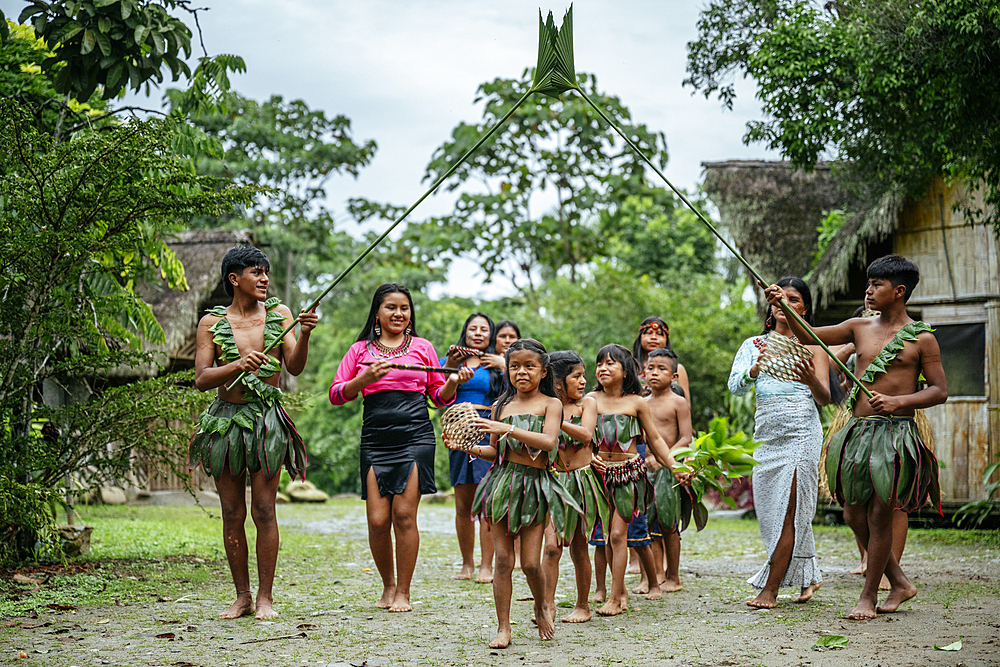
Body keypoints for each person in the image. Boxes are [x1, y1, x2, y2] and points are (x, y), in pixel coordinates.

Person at [765, 255, 946, 620]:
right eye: (868, 284)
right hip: (858, 432)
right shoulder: (858, 327)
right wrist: (782, 305)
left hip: (895, 436)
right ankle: (900, 582)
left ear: (898, 291)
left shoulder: (922, 339)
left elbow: (940, 391)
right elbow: (810, 337)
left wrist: (899, 400)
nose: (868, 291)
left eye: (876, 285)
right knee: (851, 512)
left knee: (881, 514)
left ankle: (868, 596)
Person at [190, 245, 318, 620]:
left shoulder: (280, 314)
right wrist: (237, 364)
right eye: (256, 272)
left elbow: (293, 367)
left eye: (266, 272)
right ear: (235, 279)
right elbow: (201, 379)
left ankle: (265, 597)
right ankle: (241, 595)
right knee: (232, 511)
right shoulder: (210, 324)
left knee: (264, 509)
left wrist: (305, 335)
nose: (264, 279)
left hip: (266, 422)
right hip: (226, 422)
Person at [329, 283, 473, 612]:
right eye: (391, 307)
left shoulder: (422, 347)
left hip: (415, 436)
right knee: (378, 520)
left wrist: (452, 379)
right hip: (376, 438)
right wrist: (362, 381)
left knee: (404, 516)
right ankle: (388, 586)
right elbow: (336, 394)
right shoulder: (359, 350)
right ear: (377, 313)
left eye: (404, 308)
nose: (399, 313)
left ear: (411, 314)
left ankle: (404, 592)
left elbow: (438, 397)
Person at [446, 339, 581, 648]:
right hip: (500, 485)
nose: (521, 372)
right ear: (507, 370)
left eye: (529, 366)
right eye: (515, 366)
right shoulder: (501, 405)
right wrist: (466, 447)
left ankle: (540, 604)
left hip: (534, 486)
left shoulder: (552, 404)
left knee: (531, 563)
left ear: (543, 371)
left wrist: (507, 429)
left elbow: (548, 443)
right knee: (503, 561)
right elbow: (495, 452)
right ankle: (503, 627)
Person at [730, 276, 830, 609]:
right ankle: (809, 574)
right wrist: (754, 370)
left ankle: (770, 589)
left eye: (794, 299)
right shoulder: (753, 345)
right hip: (767, 437)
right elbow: (736, 387)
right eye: (779, 299)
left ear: (805, 307)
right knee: (775, 512)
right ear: (771, 306)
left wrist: (809, 376)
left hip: (802, 432)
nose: (785, 304)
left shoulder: (814, 345)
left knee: (788, 511)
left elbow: (825, 397)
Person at [588, 344, 685, 616]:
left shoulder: (636, 402)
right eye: (600, 364)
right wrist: (588, 456)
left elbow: (654, 438)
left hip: (627, 475)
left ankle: (615, 598)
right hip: (598, 476)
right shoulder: (590, 400)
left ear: (625, 370)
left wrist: (674, 465)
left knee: (619, 535)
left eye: (610, 364)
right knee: (607, 537)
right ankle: (619, 591)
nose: (603, 369)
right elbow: (584, 436)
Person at [441, 312, 505, 583]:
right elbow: (439, 398)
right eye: (472, 328)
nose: (478, 333)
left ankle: (486, 565)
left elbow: (513, 394)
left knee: (486, 500)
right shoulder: (447, 363)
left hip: (488, 430)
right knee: (463, 501)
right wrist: (453, 377)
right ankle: (467, 563)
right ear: (465, 332)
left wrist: (504, 364)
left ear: (490, 334)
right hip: (458, 430)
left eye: (484, 329)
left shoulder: (496, 364)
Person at [541, 351, 599, 624]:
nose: (583, 381)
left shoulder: (587, 404)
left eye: (583, 375)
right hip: (554, 482)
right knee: (551, 547)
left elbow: (586, 434)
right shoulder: (545, 404)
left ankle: (583, 605)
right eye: (577, 376)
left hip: (581, 481)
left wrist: (556, 421)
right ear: (558, 381)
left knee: (579, 545)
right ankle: (547, 604)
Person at [643, 349, 693, 593]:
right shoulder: (641, 404)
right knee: (646, 522)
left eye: (661, 369)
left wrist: (666, 459)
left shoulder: (678, 402)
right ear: (643, 373)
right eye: (651, 368)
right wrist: (646, 458)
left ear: (674, 377)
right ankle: (653, 575)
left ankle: (674, 576)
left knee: (668, 523)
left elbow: (686, 437)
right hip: (644, 469)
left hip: (668, 470)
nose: (655, 373)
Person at [632, 317, 691, 401]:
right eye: (649, 333)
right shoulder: (630, 366)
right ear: (640, 338)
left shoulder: (678, 369)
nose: (653, 337)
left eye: (659, 334)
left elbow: (686, 403)